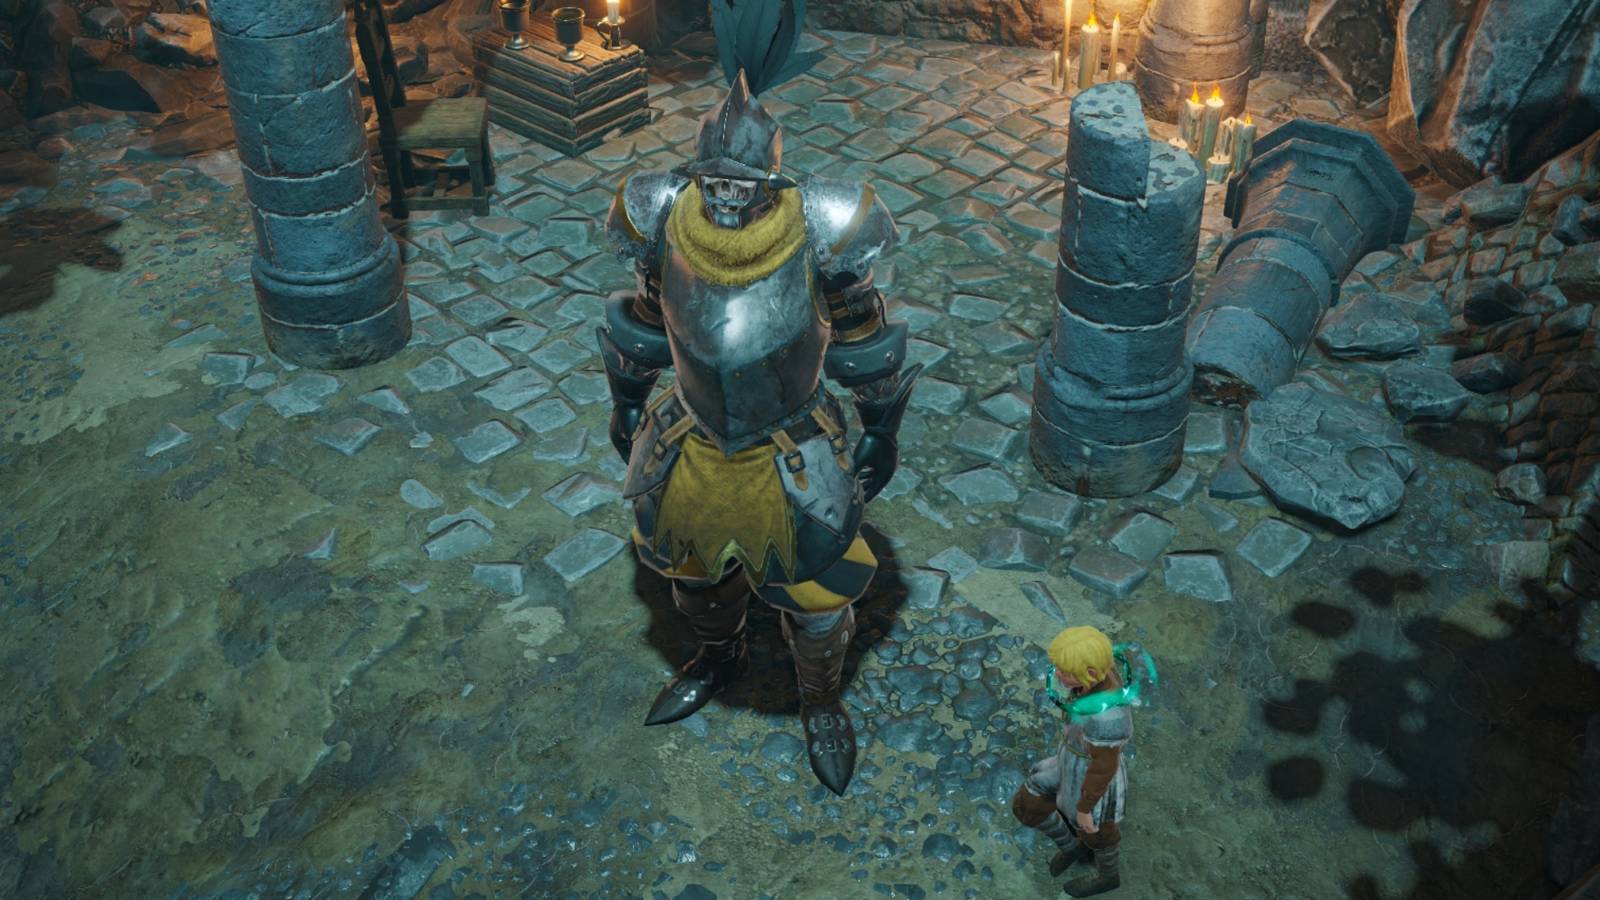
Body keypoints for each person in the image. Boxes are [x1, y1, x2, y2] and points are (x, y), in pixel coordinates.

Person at [595, 1, 920, 797]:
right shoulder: (662, 215)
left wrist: (880, 427)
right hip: (693, 435)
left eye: (742, 185)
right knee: (696, 580)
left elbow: (864, 334)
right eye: (713, 183)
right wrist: (628, 398)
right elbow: (647, 317)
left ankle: (821, 700)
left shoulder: (824, 225)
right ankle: (719, 654)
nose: (726, 197)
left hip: (792, 444)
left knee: (816, 601)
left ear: (772, 180)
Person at [1011, 626, 1143, 896]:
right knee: (1027, 806)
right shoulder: (1094, 680)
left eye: (1065, 672)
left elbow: (1102, 768)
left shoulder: (1109, 717)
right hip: (1068, 759)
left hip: (1093, 777)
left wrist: (1085, 808)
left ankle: (1108, 876)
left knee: (1097, 832)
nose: (1058, 675)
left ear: (1092, 673)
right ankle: (1072, 848)